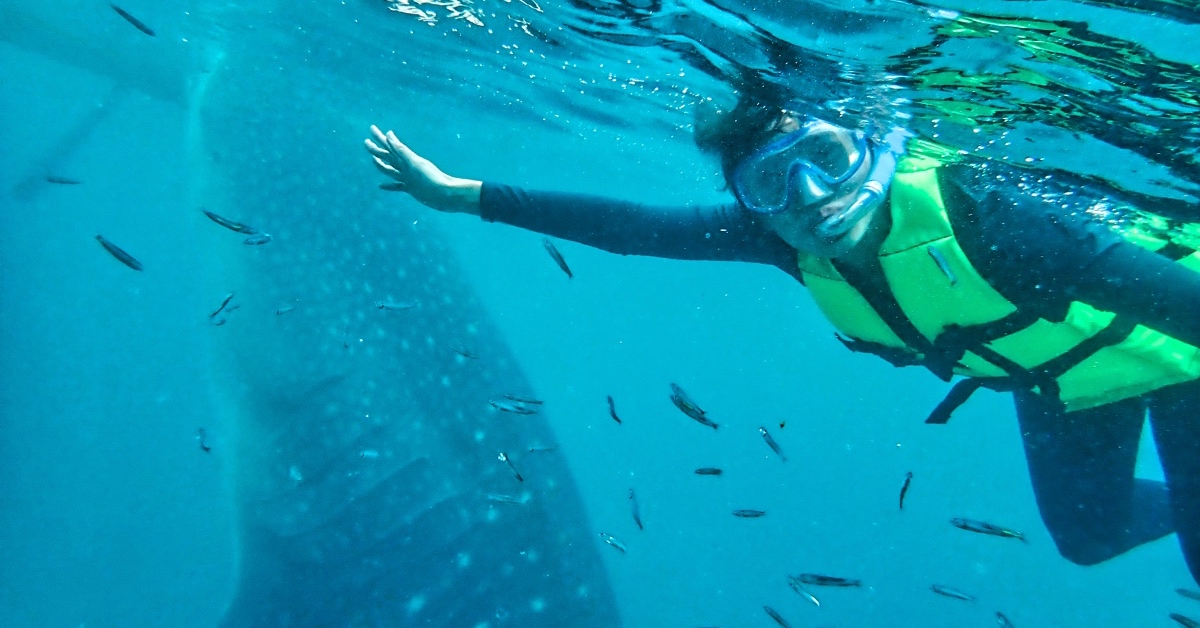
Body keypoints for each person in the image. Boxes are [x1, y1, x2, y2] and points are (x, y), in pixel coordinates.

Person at [364, 90, 1200, 585]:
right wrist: (461, 194)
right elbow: (628, 227)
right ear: (749, 201)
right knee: (1087, 539)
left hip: (1181, 362)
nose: (809, 196)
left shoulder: (999, 223)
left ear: (875, 145)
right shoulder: (782, 241)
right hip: (1064, 380)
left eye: (827, 157)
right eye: (770, 181)